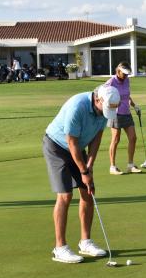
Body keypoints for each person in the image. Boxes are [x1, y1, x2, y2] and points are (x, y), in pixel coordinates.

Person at [43, 84, 120, 264]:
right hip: (57, 146)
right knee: (65, 195)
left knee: (87, 191)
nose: (105, 113)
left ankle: (85, 242)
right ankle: (60, 248)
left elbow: (97, 138)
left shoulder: (103, 110)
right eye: (105, 108)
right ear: (98, 99)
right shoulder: (77, 107)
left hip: (78, 147)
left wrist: (90, 166)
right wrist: (83, 171)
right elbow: (71, 143)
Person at [105, 62, 142, 175]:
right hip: (115, 114)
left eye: (127, 74)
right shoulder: (111, 81)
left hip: (126, 113)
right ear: (118, 71)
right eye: (124, 74)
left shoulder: (126, 80)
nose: (126, 76)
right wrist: (109, 105)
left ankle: (130, 165)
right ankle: (112, 166)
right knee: (116, 139)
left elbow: (127, 95)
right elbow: (101, 93)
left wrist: (134, 105)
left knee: (133, 138)